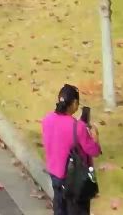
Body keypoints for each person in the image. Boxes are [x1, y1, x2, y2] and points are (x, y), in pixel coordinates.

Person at [43, 83, 103, 215]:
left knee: (59, 208)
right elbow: (94, 151)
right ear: (75, 103)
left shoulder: (47, 119)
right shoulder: (78, 127)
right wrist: (95, 136)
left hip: (55, 174)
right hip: (73, 180)